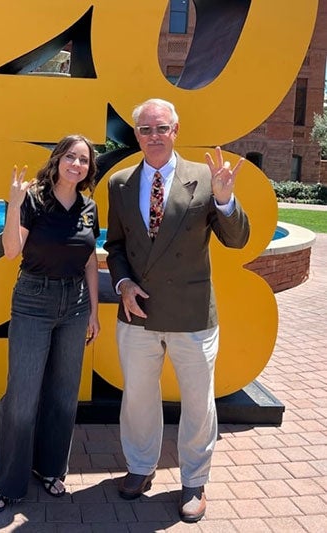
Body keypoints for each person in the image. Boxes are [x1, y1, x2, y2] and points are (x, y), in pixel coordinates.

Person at [104, 98, 250, 523]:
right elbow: (114, 247)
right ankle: (139, 467)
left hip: (191, 315)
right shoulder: (120, 183)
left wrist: (225, 201)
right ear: (136, 135)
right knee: (138, 399)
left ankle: (194, 481)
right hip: (138, 313)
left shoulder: (206, 179)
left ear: (176, 130)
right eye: (145, 129)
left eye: (161, 128)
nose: (154, 136)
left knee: (199, 403)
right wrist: (122, 282)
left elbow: (238, 239)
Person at [0, 134, 100, 512]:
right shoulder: (34, 198)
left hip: (76, 304)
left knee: (65, 394)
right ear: (57, 160)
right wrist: (14, 206)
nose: (76, 165)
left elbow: (89, 262)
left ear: (88, 169)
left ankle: (50, 470)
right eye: (71, 157)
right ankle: (6, 483)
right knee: (21, 397)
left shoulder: (88, 206)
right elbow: (11, 252)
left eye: (83, 160)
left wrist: (95, 312)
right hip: (34, 300)